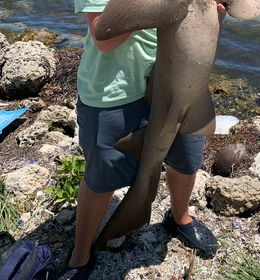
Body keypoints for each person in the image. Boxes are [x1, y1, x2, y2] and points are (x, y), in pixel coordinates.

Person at [64, 0, 227, 279]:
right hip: (114, 89)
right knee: (103, 176)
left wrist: (214, 13)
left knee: (187, 159)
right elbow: (103, 36)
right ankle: (80, 253)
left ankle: (179, 217)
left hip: (175, 80)